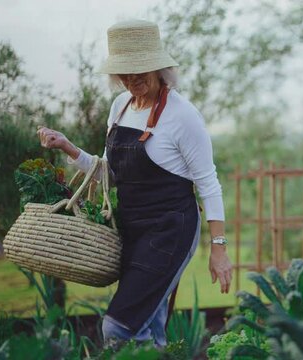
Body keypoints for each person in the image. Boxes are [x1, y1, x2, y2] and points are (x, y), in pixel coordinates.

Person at [36, 19, 232, 347]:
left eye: (139, 70)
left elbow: (209, 184)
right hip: (133, 231)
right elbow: (110, 173)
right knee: (150, 327)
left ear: (159, 67)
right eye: (125, 72)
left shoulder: (183, 116)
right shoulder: (120, 107)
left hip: (171, 230)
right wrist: (67, 145)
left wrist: (219, 249)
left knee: (119, 327)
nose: (132, 79)